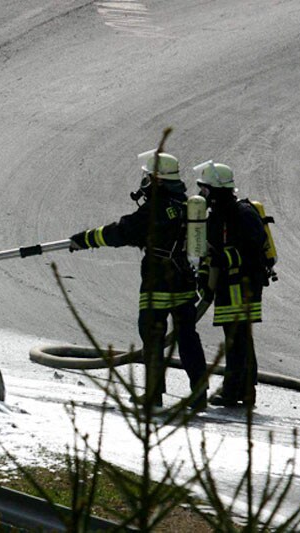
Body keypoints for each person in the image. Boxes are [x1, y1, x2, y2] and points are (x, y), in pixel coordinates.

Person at [69, 150, 208, 410]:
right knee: (188, 337)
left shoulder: (155, 208)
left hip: (158, 281)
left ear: (156, 180)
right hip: (185, 281)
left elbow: (122, 232)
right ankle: (199, 394)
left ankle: (154, 394)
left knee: (152, 336)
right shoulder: (185, 206)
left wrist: (85, 239)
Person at [193, 161, 266, 407]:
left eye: (205, 189)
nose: (202, 194)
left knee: (237, 339)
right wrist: (204, 277)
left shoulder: (244, 215)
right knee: (237, 337)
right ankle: (243, 388)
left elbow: (253, 253)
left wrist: (222, 259)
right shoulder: (217, 217)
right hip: (227, 286)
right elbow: (209, 251)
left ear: (217, 190)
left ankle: (235, 389)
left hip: (242, 287)